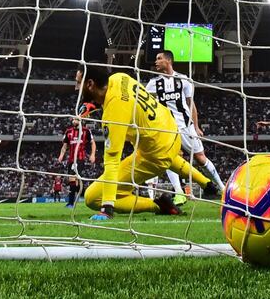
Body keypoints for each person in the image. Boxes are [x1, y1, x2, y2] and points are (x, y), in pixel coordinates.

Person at [76, 64, 218, 220]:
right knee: (161, 152)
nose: (76, 88)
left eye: (78, 82)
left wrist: (107, 207)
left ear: (90, 84)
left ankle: (159, 205)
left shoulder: (113, 114)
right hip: (170, 131)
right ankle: (207, 183)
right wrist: (95, 104)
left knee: (92, 197)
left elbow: (112, 161)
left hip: (156, 155)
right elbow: (125, 99)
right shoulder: (119, 77)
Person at [146, 50, 225, 204]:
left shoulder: (184, 80)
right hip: (167, 129)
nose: (156, 62)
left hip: (185, 127)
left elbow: (191, 105)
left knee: (200, 158)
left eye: (159, 58)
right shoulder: (153, 84)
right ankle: (179, 193)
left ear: (168, 61)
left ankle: (223, 188)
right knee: (168, 159)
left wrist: (196, 126)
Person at [57, 103, 97, 208]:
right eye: (73, 119)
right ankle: (80, 194)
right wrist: (61, 155)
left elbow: (93, 143)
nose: (74, 121)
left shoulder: (86, 131)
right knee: (75, 181)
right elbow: (64, 146)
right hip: (71, 159)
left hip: (80, 159)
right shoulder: (68, 132)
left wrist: (92, 155)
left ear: (80, 120)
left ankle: (71, 202)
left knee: (72, 179)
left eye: (76, 119)